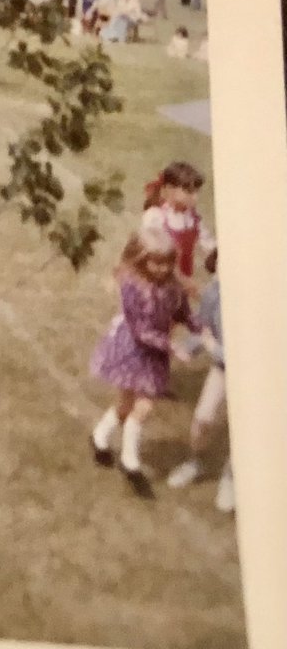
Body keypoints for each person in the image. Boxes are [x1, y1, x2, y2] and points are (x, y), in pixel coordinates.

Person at [89, 227, 201, 498]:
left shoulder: (173, 286)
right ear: (141, 259)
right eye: (156, 262)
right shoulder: (131, 284)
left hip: (154, 353)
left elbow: (183, 311)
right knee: (138, 406)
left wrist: (199, 326)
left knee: (134, 407)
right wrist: (172, 346)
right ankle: (129, 461)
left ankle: (101, 438)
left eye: (167, 263)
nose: (162, 269)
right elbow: (139, 331)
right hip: (133, 350)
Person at [166, 250, 233, 512]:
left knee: (244, 430)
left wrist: (211, 346)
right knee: (203, 418)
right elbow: (204, 328)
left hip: (252, 374)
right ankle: (195, 462)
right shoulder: (215, 292)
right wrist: (186, 349)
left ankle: (231, 478)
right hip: (222, 367)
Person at [141, 161, 216, 297]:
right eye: (189, 192)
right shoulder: (156, 217)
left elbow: (208, 245)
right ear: (170, 189)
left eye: (196, 192)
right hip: (158, 279)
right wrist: (183, 280)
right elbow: (151, 252)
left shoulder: (193, 219)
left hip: (183, 280)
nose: (195, 197)